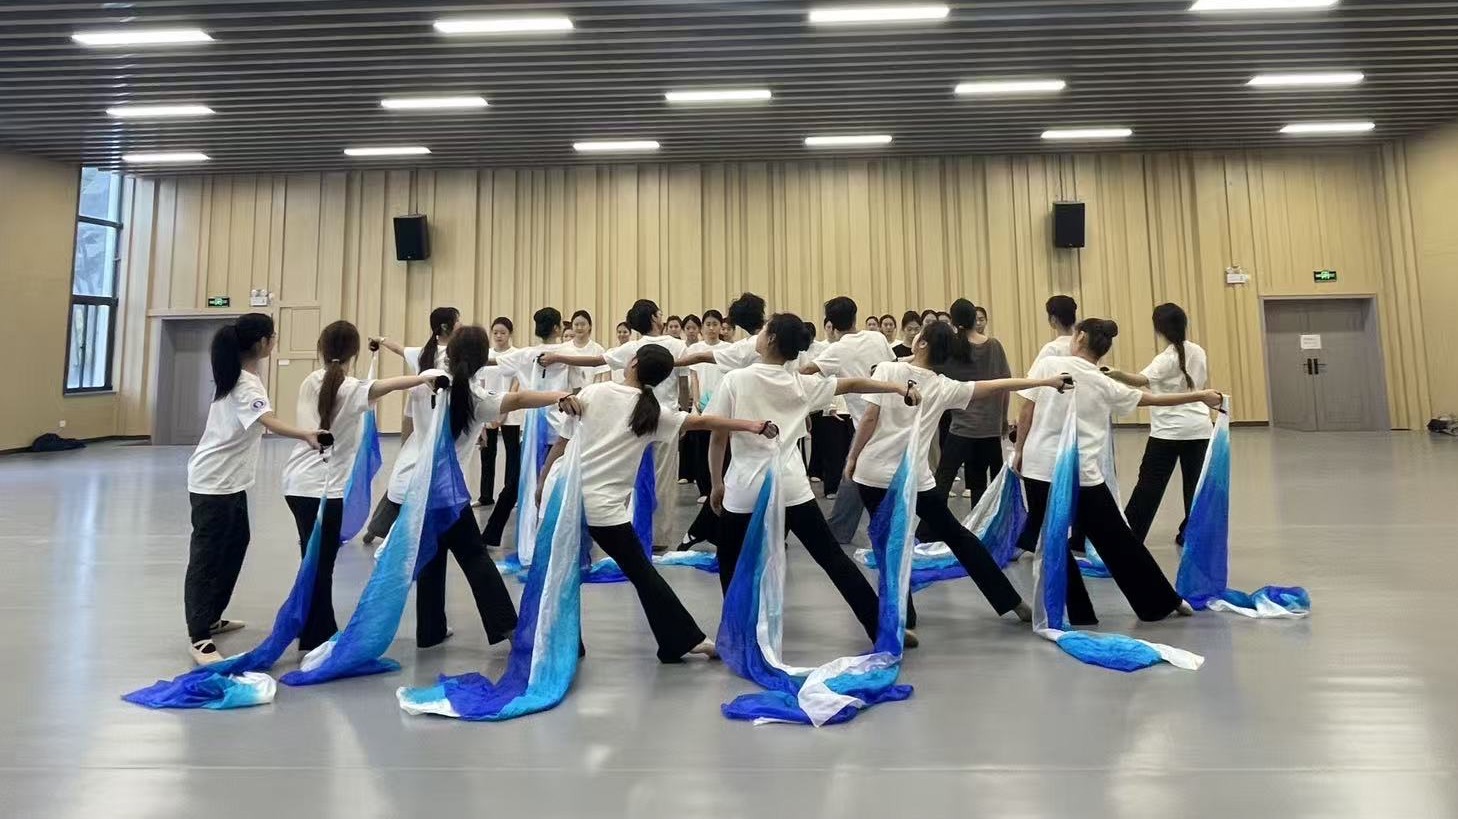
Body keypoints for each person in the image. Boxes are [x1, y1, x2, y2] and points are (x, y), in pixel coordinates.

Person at [537, 344, 780, 662]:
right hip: (603, 507)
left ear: (633, 363)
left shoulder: (597, 392)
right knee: (641, 572)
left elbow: (562, 441)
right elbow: (703, 422)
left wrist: (542, 481)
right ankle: (682, 639)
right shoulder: (654, 414)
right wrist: (751, 425)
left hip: (565, 495)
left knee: (558, 570)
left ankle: (563, 642)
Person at [708, 314, 922, 643]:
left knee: (731, 561)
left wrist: (716, 483)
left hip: (744, 487)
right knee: (832, 558)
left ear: (772, 339)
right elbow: (852, 383)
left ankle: (737, 633)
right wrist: (896, 387)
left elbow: (718, 436)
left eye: (764, 330)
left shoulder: (736, 380)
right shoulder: (800, 384)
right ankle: (880, 626)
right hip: (791, 486)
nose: (759, 334)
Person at [847, 321, 1061, 622]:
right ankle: (1011, 601)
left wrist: (852, 457)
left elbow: (869, 418)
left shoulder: (887, 370)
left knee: (889, 544)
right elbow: (995, 385)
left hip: (874, 473)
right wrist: (1045, 381)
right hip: (916, 479)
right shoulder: (943, 386)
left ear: (922, 344)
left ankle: (903, 618)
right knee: (958, 536)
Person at [1013, 318, 1220, 624]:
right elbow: (1153, 399)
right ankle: (1160, 601)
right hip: (1084, 473)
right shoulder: (1104, 383)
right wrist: (1199, 395)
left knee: (1053, 541)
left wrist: (1018, 451)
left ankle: (1078, 613)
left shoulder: (1049, 366)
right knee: (1117, 539)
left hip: (1041, 467)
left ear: (1079, 337)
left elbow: (1026, 411)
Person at [281, 321, 445, 653]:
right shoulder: (352, 388)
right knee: (321, 565)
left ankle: (313, 628)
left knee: (312, 559)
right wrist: (425, 377)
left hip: (296, 483)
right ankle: (316, 634)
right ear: (354, 352)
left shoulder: (311, 380)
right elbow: (388, 385)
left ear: (321, 348)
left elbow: (382, 385)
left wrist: (421, 377)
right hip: (323, 490)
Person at [414, 325, 572, 648]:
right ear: (482, 360)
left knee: (432, 556)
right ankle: (509, 628)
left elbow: (430, 379)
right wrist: (559, 396)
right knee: (474, 556)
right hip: (446, 493)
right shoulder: (475, 398)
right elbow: (519, 399)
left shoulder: (430, 383)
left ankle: (430, 631)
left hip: (417, 488)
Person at [184, 313, 323, 665]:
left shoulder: (240, 377)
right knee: (207, 557)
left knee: (236, 543)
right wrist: (306, 434)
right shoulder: (245, 384)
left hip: (231, 481)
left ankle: (212, 616)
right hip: (214, 482)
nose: (274, 341)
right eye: (273, 336)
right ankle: (199, 636)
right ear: (262, 342)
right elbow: (267, 421)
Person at [540, 299, 687, 550]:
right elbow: (683, 384)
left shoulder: (632, 348)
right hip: (664, 418)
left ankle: (626, 527)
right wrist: (683, 412)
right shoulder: (677, 346)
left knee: (625, 476)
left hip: (633, 419)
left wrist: (556, 357)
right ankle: (658, 538)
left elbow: (595, 360)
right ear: (654, 317)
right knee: (662, 480)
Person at [1104, 303, 1211, 546]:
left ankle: (1130, 537)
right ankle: (1192, 535)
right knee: (1195, 486)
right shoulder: (1198, 351)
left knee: (1149, 486)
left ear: (1159, 328)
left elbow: (1139, 380)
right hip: (1200, 428)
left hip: (1168, 432)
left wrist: (1115, 373)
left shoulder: (1165, 359)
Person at [801, 296, 897, 544]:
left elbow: (807, 370)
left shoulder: (837, 350)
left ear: (831, 324)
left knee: (853, 472)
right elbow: (893, 365)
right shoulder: (877, 338)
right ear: (855, 317)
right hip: (893, 415)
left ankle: (844, 531)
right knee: (859, 474)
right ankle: (843, 530)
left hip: (867, 421)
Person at [363, 306, 460, 545]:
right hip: (436, 427)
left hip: (420, 423)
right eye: (457, 322)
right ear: (446, 327)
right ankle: (405, 530)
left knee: (403, 480)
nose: (461, 325)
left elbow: (398, 349)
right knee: (420, 482)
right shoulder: (453, 356)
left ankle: (379, 527)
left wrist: (381, 340)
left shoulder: (422, 353)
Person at [479, 307, 574, 551]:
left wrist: (462, 358)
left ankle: (491, 533)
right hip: (562, 427)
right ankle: (561, 537)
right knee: (563, 481)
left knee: (515, 482)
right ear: (557, 328)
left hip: (533, 430)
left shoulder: (525, 354)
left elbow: (492, 361)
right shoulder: (568, 353)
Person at [933, 299, 1013, 505]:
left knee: (943, 481)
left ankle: (931, 523)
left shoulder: (951, 349)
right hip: (989, 428)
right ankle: (979, 522)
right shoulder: (994, 346)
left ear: (953, 321)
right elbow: (1004, 385)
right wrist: (1003, 418)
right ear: (974, 319)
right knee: (981, 484)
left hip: (961, 428)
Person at [473, 317, 520, 508]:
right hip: (489, 407)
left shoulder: (516, 354)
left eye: (503, 333)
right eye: (495, 333)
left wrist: (504, 411)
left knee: (512, 454)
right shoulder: (486, 355)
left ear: (510, 334)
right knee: (487, 453)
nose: (499, 336)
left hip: (510, 408)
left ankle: (510, 496)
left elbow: (517, 382)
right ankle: (485, 496)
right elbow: (480, 383)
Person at [684, 310, 727, 502]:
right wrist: (696, 400)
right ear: (702, 327)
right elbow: (693, 377)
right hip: (701, 405)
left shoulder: (727, 349)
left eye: (715, 324)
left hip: (722, 403)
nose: (711, 328)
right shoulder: (695, 349)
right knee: (701, 447)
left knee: (721, 445)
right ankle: (704, 489)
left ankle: (722, 485)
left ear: (721, 327)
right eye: (708, 324)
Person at [676, 313, 703, 484]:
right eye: (688, 328)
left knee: (697, 437)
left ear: (699, 329)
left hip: (699, 396)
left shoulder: (702, 348)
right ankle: (685, 473)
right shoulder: (680, 348)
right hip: (682, 395)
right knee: (685, 437)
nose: (691, 331)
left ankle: (698, 473)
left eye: (694, 328)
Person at [566, 310, 611, 388]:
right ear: (572, 326)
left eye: (583, 324)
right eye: (576, 324)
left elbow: (603, 377)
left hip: (591, 393)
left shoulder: (598, 349)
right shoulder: (564, 348)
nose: (579, 328)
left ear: (590, 326)